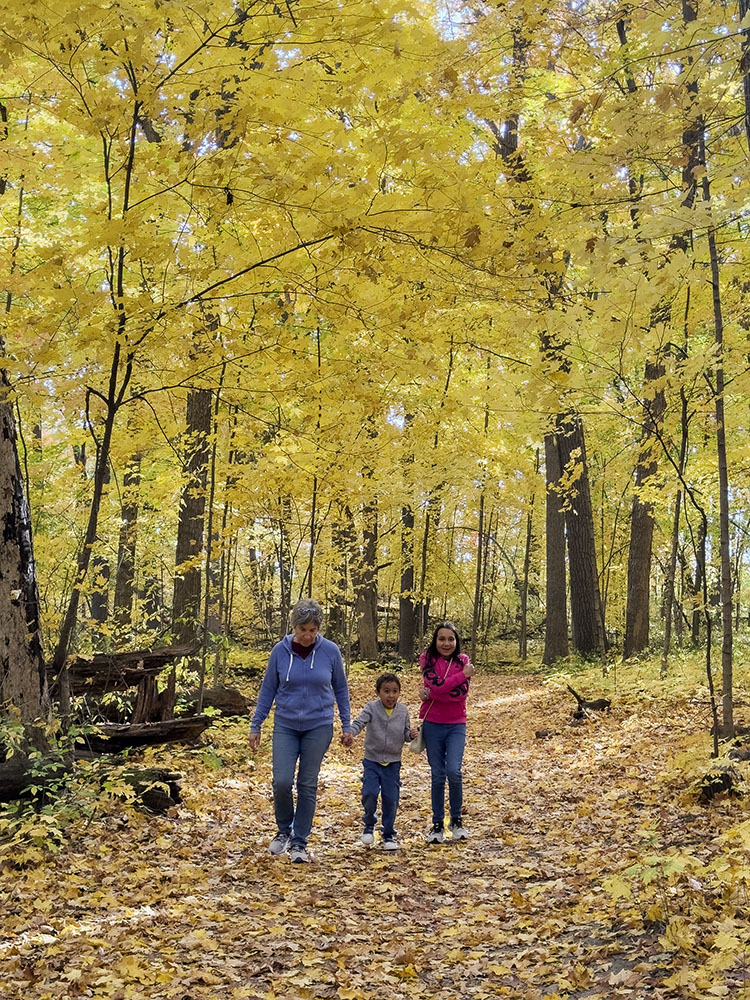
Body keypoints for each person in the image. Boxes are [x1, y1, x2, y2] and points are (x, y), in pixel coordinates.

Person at [249, 598, 352, 863]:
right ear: (294, 626)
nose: (307, 635)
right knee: (281, 781)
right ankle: (284, 831)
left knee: (307, 783)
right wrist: (256, 725)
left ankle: (299, 842)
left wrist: (346, 723)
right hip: (286, 724)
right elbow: (267, 690)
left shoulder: (330, 651)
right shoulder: (279, 652)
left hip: (318, 726)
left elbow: (340, 688)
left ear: (318, 629)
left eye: (312, 630)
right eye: (302, 629)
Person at [342, 672, 417, 850]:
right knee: (369, 793)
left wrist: (412, 735)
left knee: (391, 798)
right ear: (378, 692)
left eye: (394, 691)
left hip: (393, 762)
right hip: (372, 760)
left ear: (399, 692)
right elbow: (359, 723)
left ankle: (388, 834)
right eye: (386, 691)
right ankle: (369, 824)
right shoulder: (371, 708)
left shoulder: (403, 711)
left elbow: (406, 735)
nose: (390, 695)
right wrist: (350, 733)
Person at [418, 622, 474, 843]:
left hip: (456, 724)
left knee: (454, 771)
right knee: (438, 774)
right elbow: (438, 687)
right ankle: (437, 824)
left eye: (451, 639)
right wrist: (458, 678)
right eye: (442, 639)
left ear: (456, 641)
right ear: (435, 641)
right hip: (432, 724)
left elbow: (458, 695)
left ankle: (456, 820)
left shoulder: (463, 661)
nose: (446, 643)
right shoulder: (427, 660)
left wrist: (436, 691)